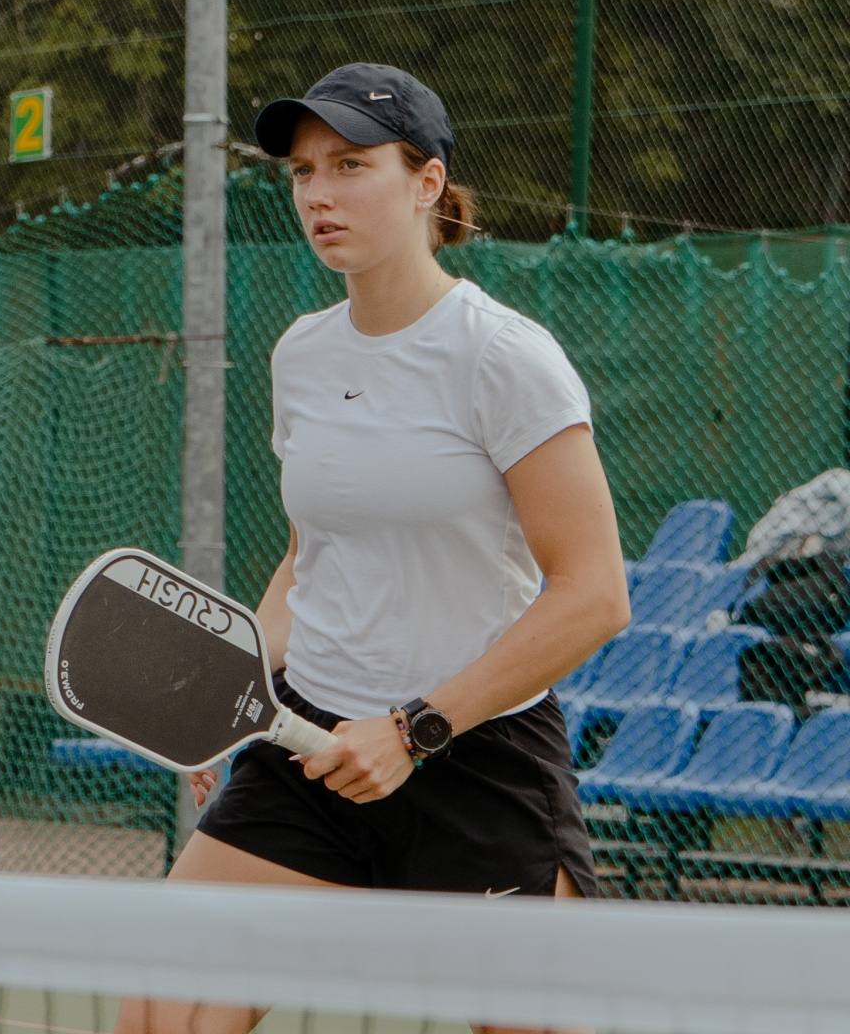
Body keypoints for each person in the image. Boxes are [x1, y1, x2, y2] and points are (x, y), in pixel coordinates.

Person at [116, 62, 630, 1034]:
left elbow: (596, 593)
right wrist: (238, 669)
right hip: (307, 756)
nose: (319, 193)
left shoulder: (504, 356)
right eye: (303, 171)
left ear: (427, 182)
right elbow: (313, 554)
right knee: (157, 1017)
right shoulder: (303, 353)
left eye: (350, 165)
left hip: (473, 762)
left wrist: (413, 731)